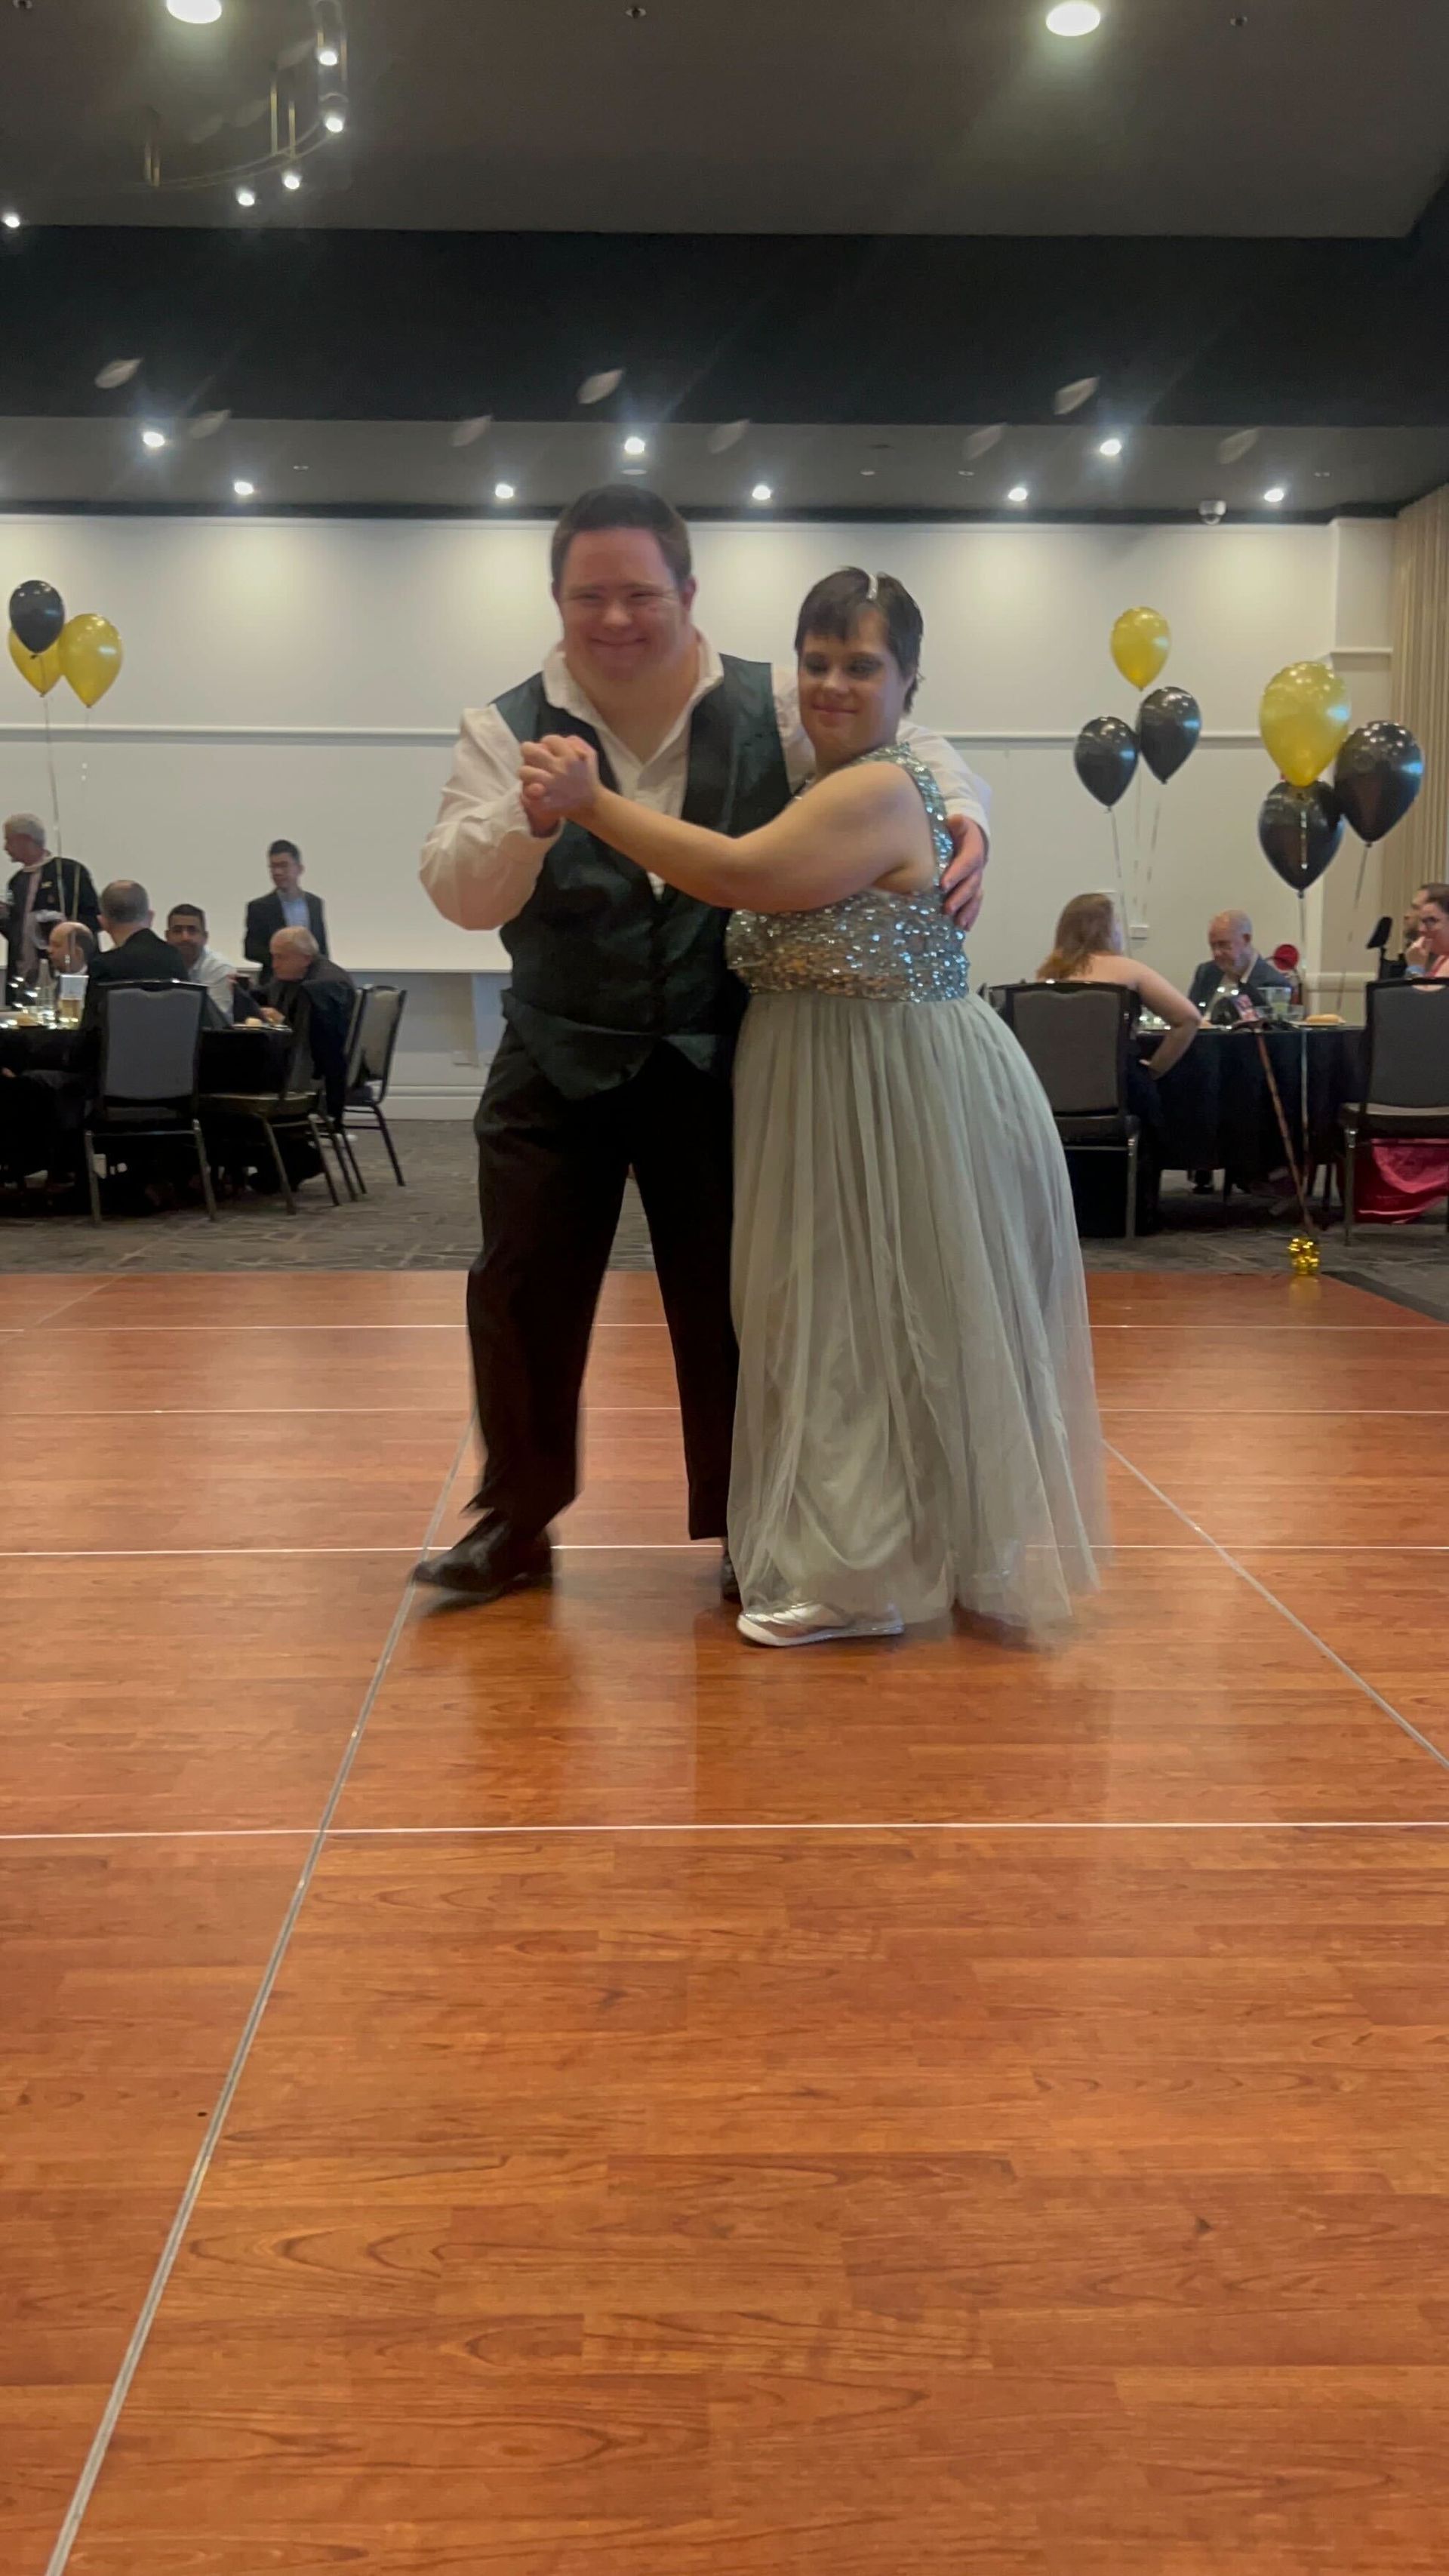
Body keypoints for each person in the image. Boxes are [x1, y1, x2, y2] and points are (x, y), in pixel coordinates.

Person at [414, 484, 991, 1607]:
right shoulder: (503, 727)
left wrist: (969, 814)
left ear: (687, 591)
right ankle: (516, 1517)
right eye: (590, 595)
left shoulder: (777, 700)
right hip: (557, 1047)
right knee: (519, 1284)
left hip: (722, 1056)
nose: (614, 617)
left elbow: (908, 739)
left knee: (739, 1294)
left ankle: (749, 1522)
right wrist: (530, 818)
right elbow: (457, 894)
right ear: (556, 598)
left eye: (639, 593)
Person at [519, 566, 1104, 1647]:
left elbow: (739, 874)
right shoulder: (835, 774)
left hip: (880, 1083)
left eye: (862, 665)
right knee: (853, 1317)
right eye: (818, 661)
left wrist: (591, 803)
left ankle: (859, 1579)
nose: (833, 683)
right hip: (838, 1075)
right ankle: (888, 1556)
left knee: (855, 1322)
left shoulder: (872, 790)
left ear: (910, 679)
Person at [1353, 884, 1449, 1223]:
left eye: (1432, 922)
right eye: (1422, 921)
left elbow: (1417, 1019)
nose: (1423, 930)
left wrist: (1414, 970)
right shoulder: (1442, 961)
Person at [258, 927, 355, 1118]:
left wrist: (281, 1021)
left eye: (280, 958)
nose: (274, 965)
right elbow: (263, 995)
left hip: (312, 1077)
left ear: (305, 958)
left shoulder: (325, 987)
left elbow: (318, 1044)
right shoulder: (295, 975)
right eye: (273, 957)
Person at [2, 815, 100, 996]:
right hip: (23, 979)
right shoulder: (16, 882)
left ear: (25, 839)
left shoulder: (69, 872)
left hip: (65, 976)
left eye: (9, 840)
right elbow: (17, 935)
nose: (5, 848)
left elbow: (95, 919)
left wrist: (61, 927)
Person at [243, 839, 329, 970]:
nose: (278, 872)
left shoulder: (315, 904)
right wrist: (285, 959)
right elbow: (251, 950)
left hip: (311, 977)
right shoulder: (259, 907)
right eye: (273, 867)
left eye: (284, 866)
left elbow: (322, 947)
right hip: (276, 977)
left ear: (299, 869)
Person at [1188, 910, 1293, 1016]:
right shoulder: (1206, 972)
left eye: (1223, 944)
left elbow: (1272, 1025)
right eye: (1213, 946)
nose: (1216, 953)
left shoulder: (1274, 984)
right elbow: (1189, 1016)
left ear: (1246, 939)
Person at [166, 903, 241, 1019]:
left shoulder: (220, 968)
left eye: (192, 931)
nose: (185, 937)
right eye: (177, 931)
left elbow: (216, 1019)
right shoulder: (159, 963)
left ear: (205, 937)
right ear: (167, 936)